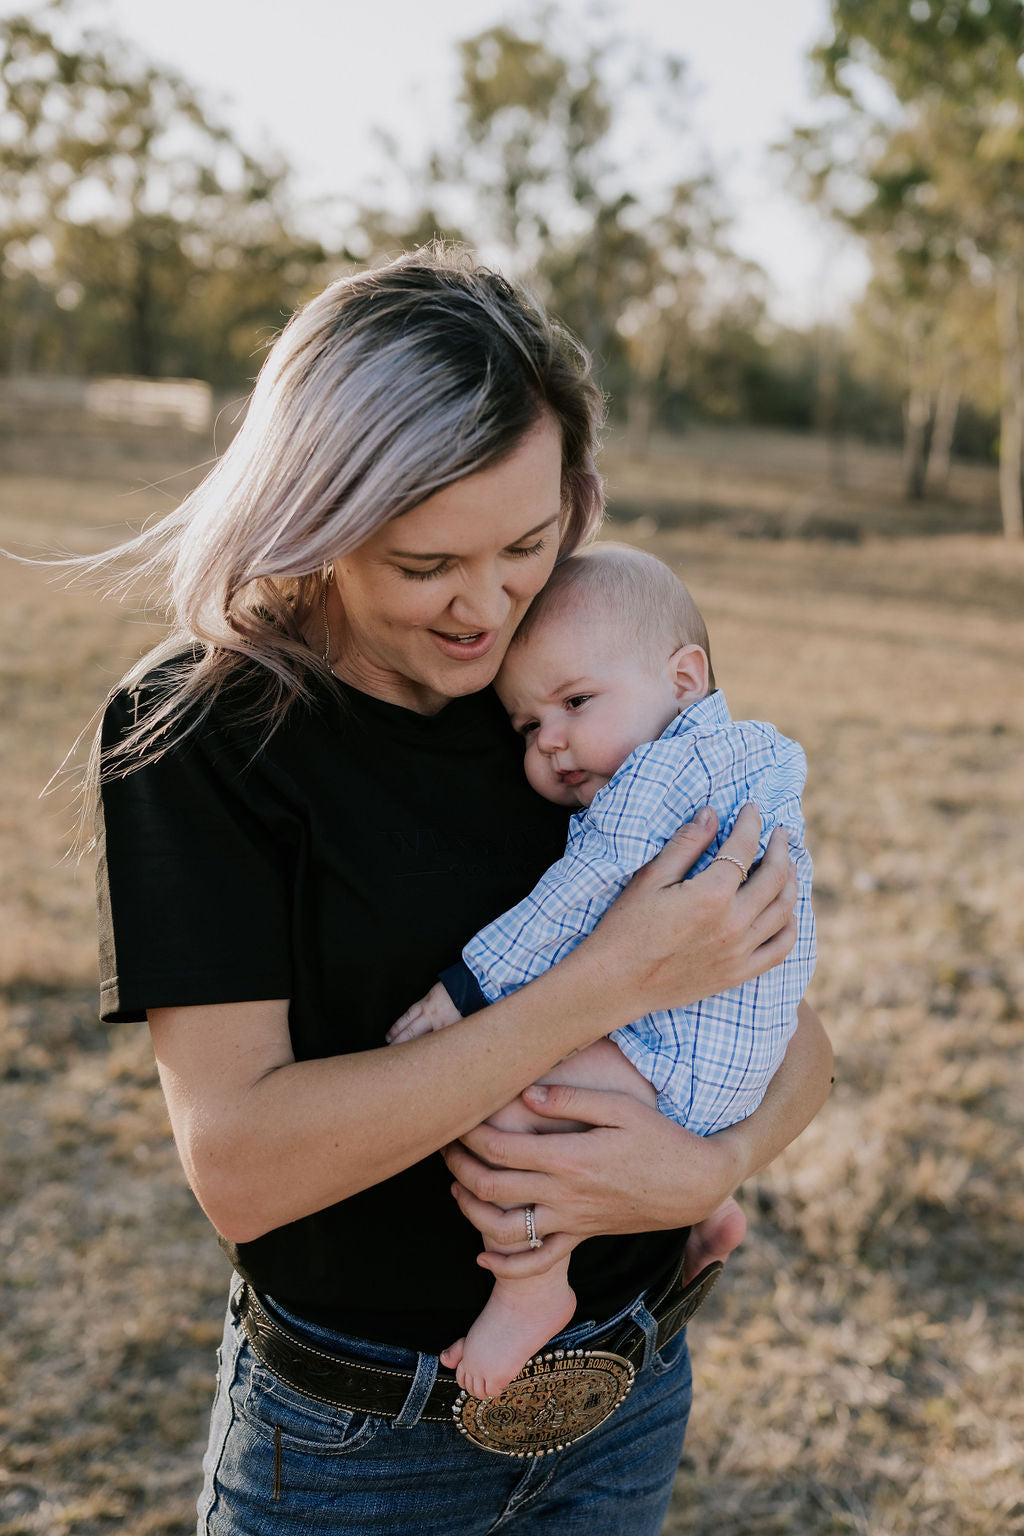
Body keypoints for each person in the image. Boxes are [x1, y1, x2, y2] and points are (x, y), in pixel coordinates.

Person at [89, 244, 832, 1535]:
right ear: (309, 515)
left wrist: (709, 1167)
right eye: (426, 564)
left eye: (529, 545)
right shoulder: (201, 735)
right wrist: (602, 983)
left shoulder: (585, 678)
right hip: (353, 1450)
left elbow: (797, 1027)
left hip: (628, 1401)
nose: (486, 609)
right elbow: (244, 1166)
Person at [386, 542, 816, 1400]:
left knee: (500, 1106)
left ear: (684, 679)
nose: (552, 743)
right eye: (527, 727)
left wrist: (464, 991)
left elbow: (573, 902)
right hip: (735, 1053)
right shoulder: (752, 755)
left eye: (576, 702)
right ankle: (696, 1212)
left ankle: (531, 1288)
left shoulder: (661, 780)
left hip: (682, 1058)